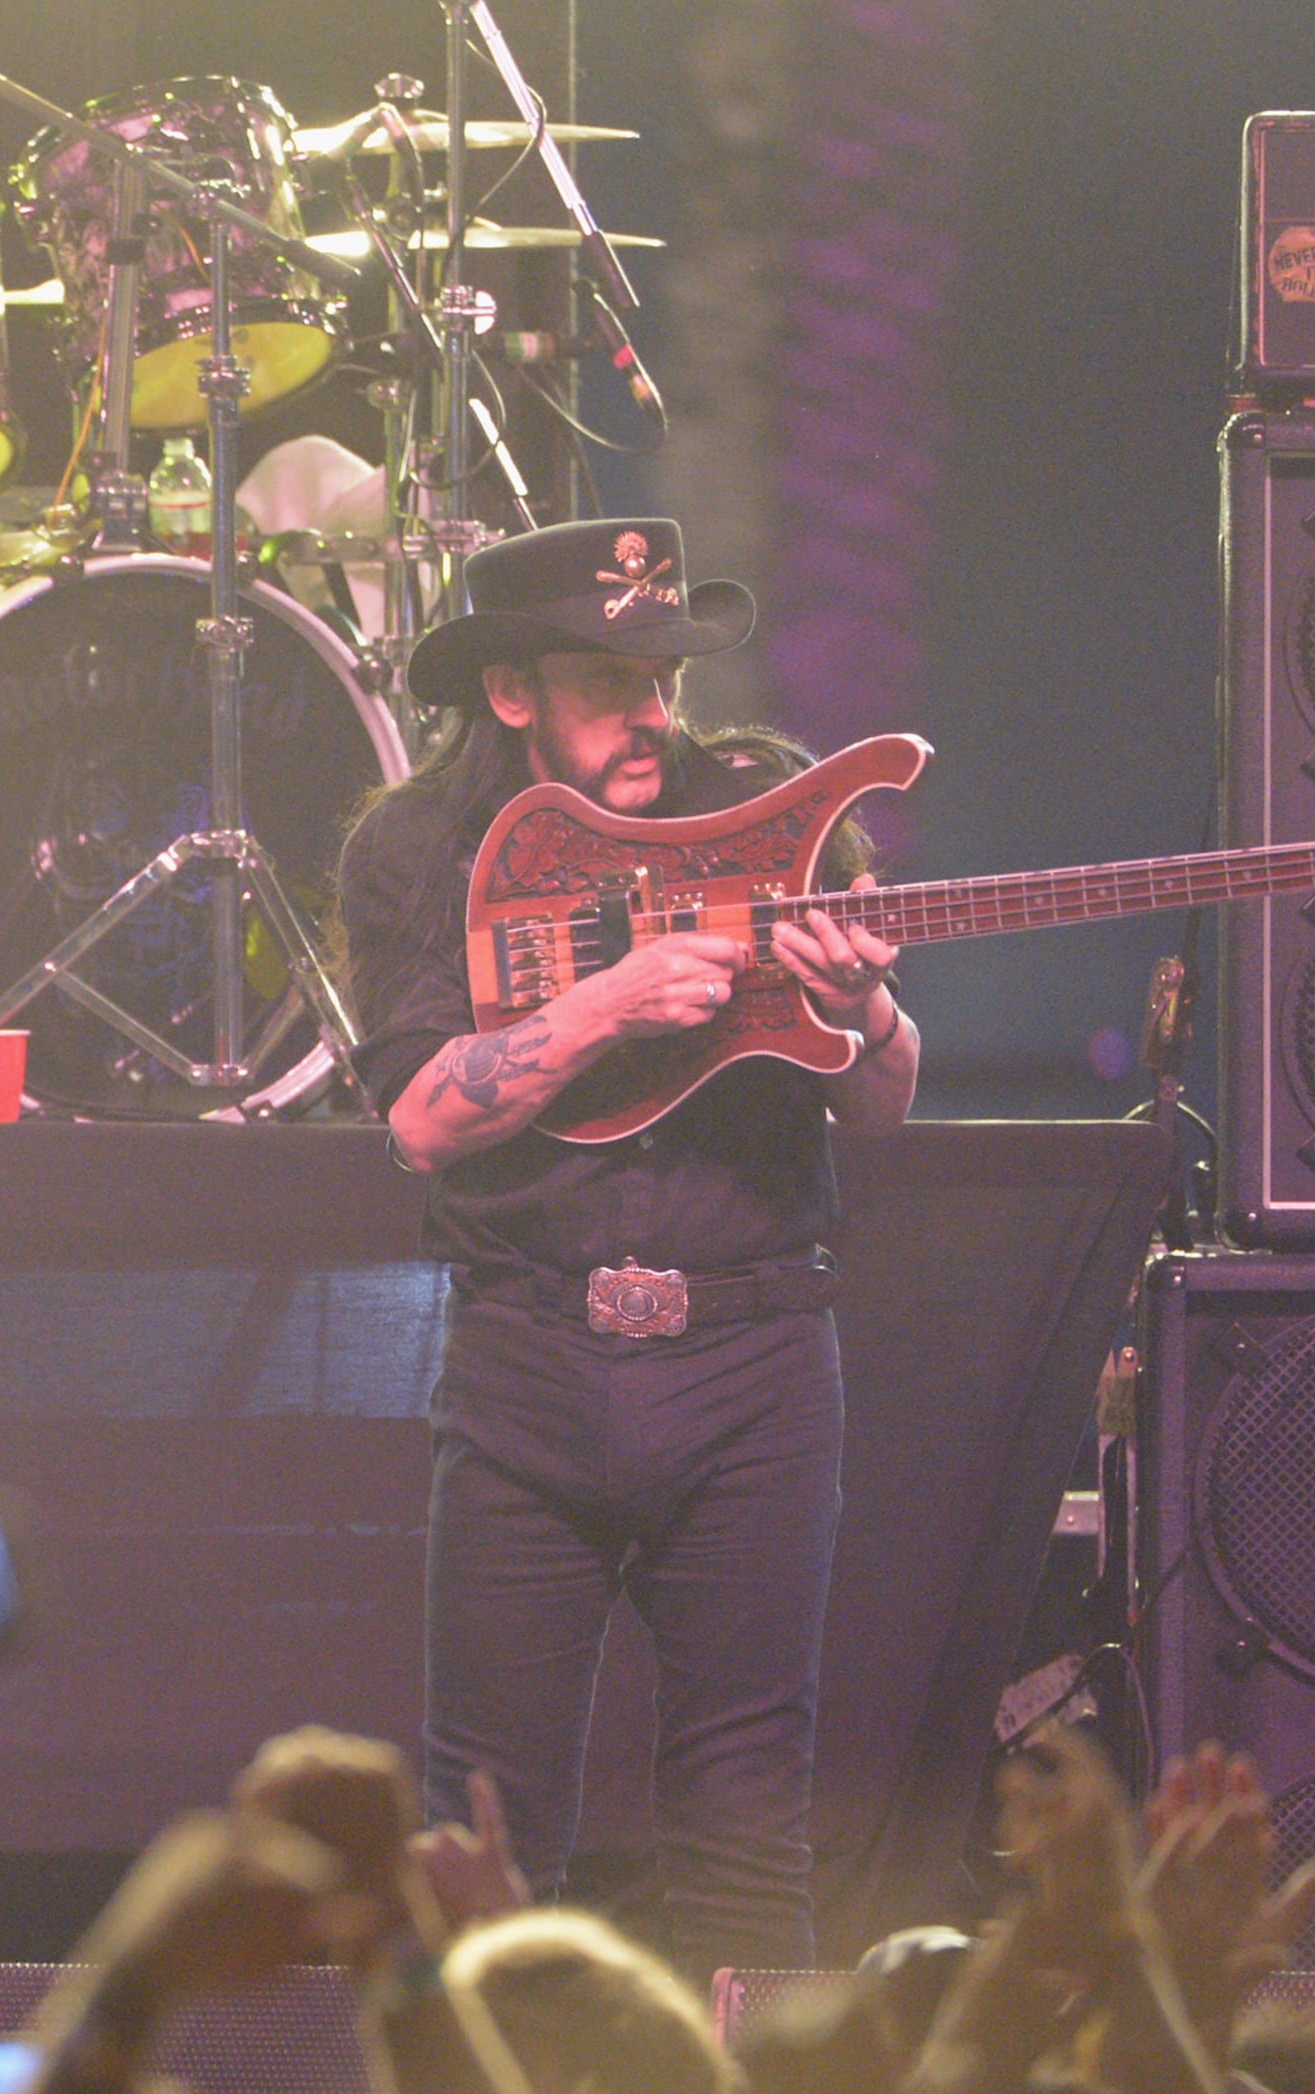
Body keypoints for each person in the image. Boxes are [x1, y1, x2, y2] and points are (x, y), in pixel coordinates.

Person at [333, 516, 918, 1973]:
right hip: (527, 1353)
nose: (653, 712)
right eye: (609, 680)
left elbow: (883, 1111)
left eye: (664, 674)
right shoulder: (417, 846)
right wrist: (616, 1002)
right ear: (513, 692)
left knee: (746, 1824)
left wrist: (876, 1015)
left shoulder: (769, 806)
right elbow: (417, 1119)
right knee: (486, 1831)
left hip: (756, 1355)